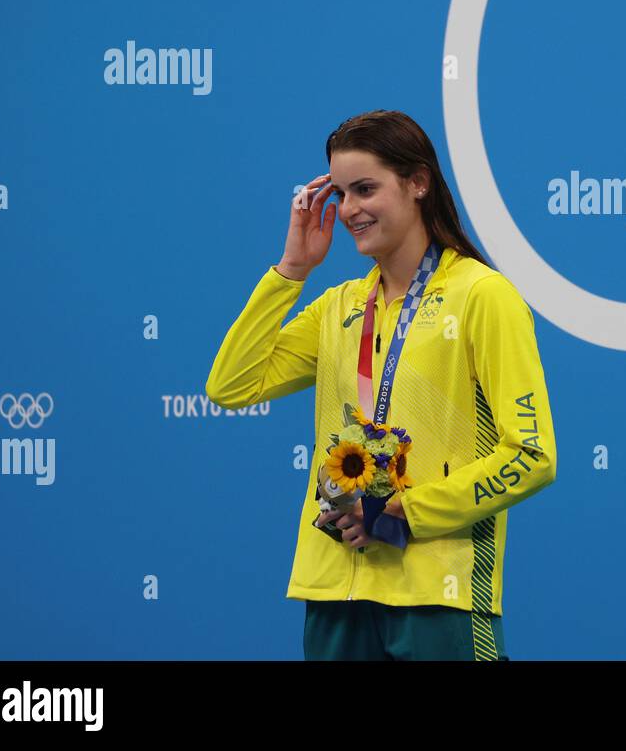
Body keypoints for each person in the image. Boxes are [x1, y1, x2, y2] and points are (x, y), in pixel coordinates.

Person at [205, 110, 557, 661]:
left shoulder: (482, 296)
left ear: (418, 182)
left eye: (365, 189)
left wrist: (404, 510)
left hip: (437, 592)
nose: (348, 210)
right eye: (340, 194)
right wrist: (291, 271)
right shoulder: (338, 307)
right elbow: (232, 384)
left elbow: (531, 456)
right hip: (333, 590)